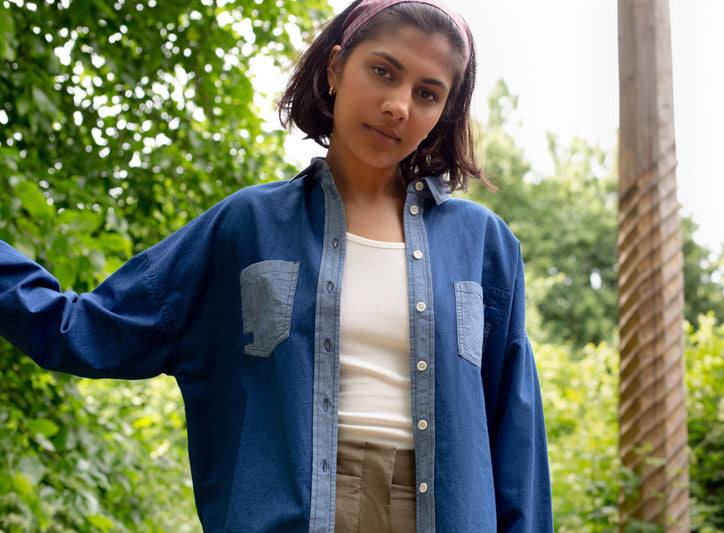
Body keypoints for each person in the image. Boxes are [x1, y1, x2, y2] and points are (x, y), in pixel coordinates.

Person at [0, 0, 553, 531]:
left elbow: (517, 440)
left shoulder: (482, 244)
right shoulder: (249, 226)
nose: (399, 106)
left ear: (443, 113)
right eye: (383, 71)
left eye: (428, 94)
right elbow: (85, 329)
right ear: (336, 68)